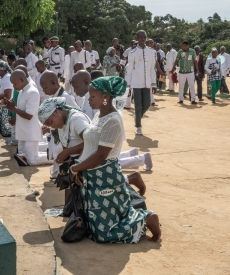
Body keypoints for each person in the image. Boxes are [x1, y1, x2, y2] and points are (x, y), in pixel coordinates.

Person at [69, 76, 161, 243]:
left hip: (105, 177)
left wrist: (76, 168)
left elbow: (101, 155)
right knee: (95, 227)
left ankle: (146, 219)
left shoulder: (112, 121)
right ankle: (137, 215)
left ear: (105, 97)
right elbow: (90, 145)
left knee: (104, 235)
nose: (89, 100)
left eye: (93, 96)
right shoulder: (99, 116)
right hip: (93, 177)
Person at [3, 70, 53, 166]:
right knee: (22, 157)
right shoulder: (22, 91)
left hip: (30, 133)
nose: (13, 86)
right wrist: (9, 105)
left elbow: (29, 115)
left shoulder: (32, 92)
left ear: (22, 79)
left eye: (15, 83)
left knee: (32, 160)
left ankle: (56, 157)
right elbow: (19, 108)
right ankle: (51, 152)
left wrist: (13, 108)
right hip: (22, 132)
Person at [125, 30, 157, 135]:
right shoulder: (132, 53)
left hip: (147, 82)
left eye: (144, 37)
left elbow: (152, 69)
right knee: (138, 105)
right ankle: (138, 126)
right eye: (141, 37)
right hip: (136, 82)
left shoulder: (152, 52)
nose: (143, 39)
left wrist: (154, 83)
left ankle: (137, 117)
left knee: (147, 104)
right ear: (137, 38)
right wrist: (128, 86)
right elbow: (129, 70)